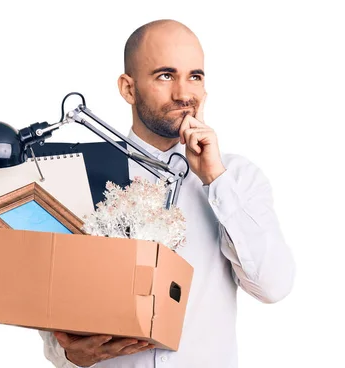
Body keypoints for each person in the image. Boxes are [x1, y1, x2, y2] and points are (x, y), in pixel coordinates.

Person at [39, 19, 295, 368]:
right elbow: (48, 301)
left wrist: (214, 179)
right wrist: (67, 353)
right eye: (165, 75)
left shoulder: (237, 178)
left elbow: (273, 285)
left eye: (195, 76)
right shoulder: (80, 175)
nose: (183, 94)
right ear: (128, 89)